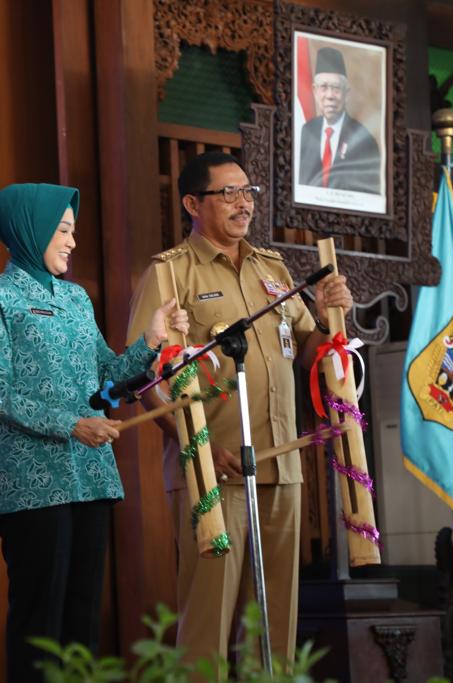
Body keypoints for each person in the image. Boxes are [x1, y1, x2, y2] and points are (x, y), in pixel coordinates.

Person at [126, 152, 354, 666]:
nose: (242, 202)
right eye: (227, 193)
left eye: (247, 192)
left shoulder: (272, 268)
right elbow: (143, 376)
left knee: (273, 624)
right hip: (214, 470)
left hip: (283, 464)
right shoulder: (170, 274)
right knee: (208, 617)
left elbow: (316, 350)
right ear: (192, 203)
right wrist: (199, 447)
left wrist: (328, 312)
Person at [0, 183, 188, 682]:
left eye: (73, 231)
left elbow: (107, 384)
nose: (71, 242)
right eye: (63, 231)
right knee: (39, 618)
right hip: (30, 480)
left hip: (90, 474)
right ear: (31, 229)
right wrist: (71, 423)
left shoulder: (75, 298)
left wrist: (151, 341)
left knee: (83, 615)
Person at [298, 47, 381, 194]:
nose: (330, 95)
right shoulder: (306, 132)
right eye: (323, 87)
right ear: (315, 91)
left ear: (346, 93)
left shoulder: (364, 141)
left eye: (336, 88)